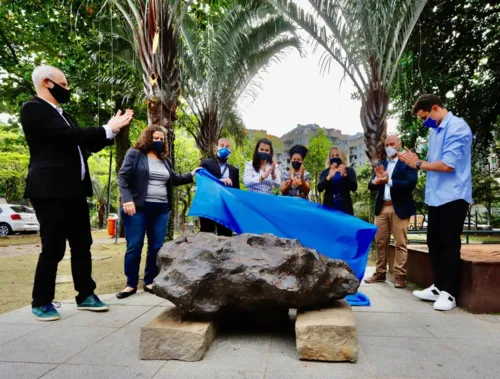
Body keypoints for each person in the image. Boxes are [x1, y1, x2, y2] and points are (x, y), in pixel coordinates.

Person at [21, 65, 134, 321]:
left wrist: (112, 130)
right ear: (48, 83)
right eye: (64, 83)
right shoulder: (33, 109)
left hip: (74, 190)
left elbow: (84, 141)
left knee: (83, 244)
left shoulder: (64, 114)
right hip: (50, 190)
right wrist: (106, 127)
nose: (67, 88)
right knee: (54, 246)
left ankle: (85, 294)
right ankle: (41, 301)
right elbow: (68, 136)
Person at [399, 94, 472, 311]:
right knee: (434, 242)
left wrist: (418, 163)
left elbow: (448, 165)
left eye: (424, 117)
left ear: (435, 108)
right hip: (437, 196)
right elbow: (431, 163)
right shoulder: (435, 132)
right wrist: (416, 161)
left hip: (454, 195)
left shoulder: (457, 127)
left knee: (449, 243)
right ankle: (438, 287)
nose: (424, 122)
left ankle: (449, 293)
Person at [116, 125, 201, 299]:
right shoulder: (135, 154)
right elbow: (122, 177)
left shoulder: (165, 160)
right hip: (137, 208)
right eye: (155, 138)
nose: (159, 141)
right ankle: (130, 284)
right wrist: (127, 199)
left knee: (156, 247)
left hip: (161, 209)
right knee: (135, 246)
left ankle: (149, 281)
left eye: (162, 139)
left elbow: (175, 180)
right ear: (147, 138)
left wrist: (192, 173)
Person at [364, 135, 417, 288]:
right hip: (382, 208)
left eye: (392, 144)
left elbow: (411, 183)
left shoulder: (407, 163)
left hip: (399, 207)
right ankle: (380, 272)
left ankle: (400, 276)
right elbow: (371, 185)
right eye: (387, 144)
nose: (389, 147)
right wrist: (376, 180)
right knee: (380, 242)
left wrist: (389, 181)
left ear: (399, 144)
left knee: (400, 243)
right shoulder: (382, 164)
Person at [199, 137, 240, 236]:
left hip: (225, 209)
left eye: (227, 146)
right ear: (216, 148)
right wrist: (220, 181)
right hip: (209, 206)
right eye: (222, 146)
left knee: (225, 237)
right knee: (206, 236)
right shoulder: (206, 163)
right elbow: (203, 182)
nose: (224, 148)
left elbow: (237, 191)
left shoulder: (234, 170)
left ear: (231, 150)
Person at [317, 147, 357, 215]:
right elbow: (319, 188)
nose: (335, 157)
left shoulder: (349, 170)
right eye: (332, 156)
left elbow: (354, 187)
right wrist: (329, 177)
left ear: (341, 157)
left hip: (345, 206)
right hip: (329, 206)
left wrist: (345, 176)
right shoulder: (325, 172)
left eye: (337, 155)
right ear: (329, 158)